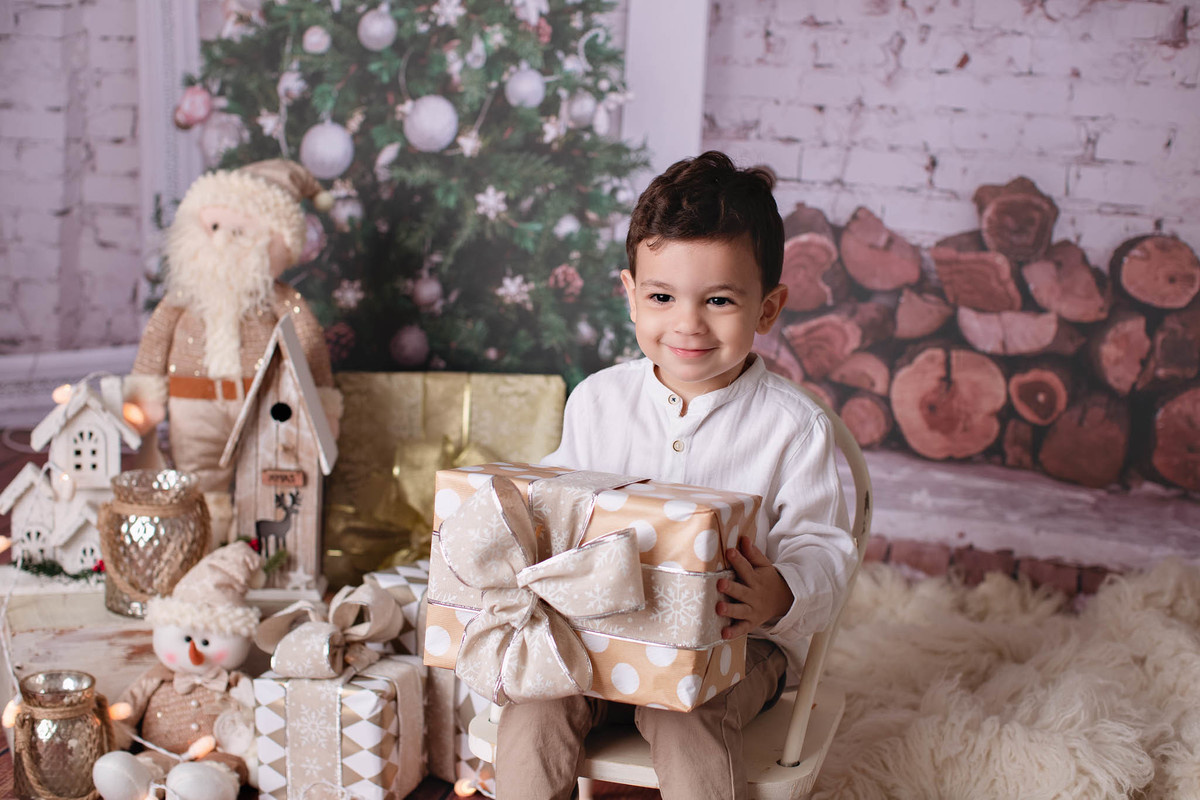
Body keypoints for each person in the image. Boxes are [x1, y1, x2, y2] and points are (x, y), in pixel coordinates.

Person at [493, 151, 858, 800]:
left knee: (685, 709)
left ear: (767, 309)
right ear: (631, 295)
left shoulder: (794, 427)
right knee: (536, 701)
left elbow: (826, 550)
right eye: (662, 297)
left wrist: (781, 592)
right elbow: (557, 499)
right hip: (601, 634)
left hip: (739, 647)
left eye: (719, 300)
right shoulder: (598, 401)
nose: (688, 323)